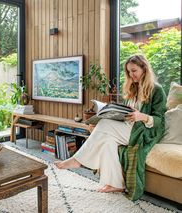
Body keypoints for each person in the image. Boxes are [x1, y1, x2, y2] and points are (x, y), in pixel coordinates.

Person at [55, 54, 167, 201]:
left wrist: (142, 116)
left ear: (144, 69)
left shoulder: (157, 90)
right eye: (128, 72)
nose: (131, 75)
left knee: (105, 125)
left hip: (146, 131)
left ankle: (78, 160)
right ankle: (115, 184)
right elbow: (128, 114)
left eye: (134, 71)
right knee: (108, 141)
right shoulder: (134, 88)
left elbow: (160, 120)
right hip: (129, 127)